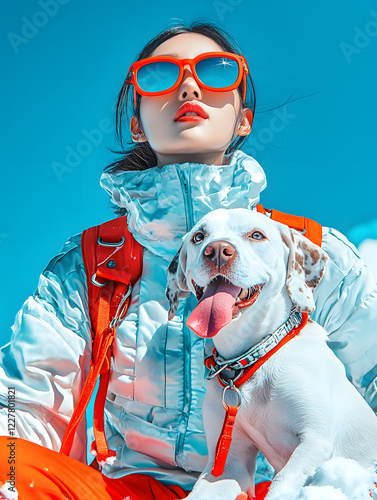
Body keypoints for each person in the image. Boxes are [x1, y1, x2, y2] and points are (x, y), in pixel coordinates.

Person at [0, 22, 376, 500]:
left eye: (217, 71)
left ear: (244, 118)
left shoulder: (304, 252)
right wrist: (9, 478)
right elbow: (19, 404)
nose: (189, 85)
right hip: (120, 490)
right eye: (158, 75)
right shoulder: (91, 265)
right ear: (137, 121)